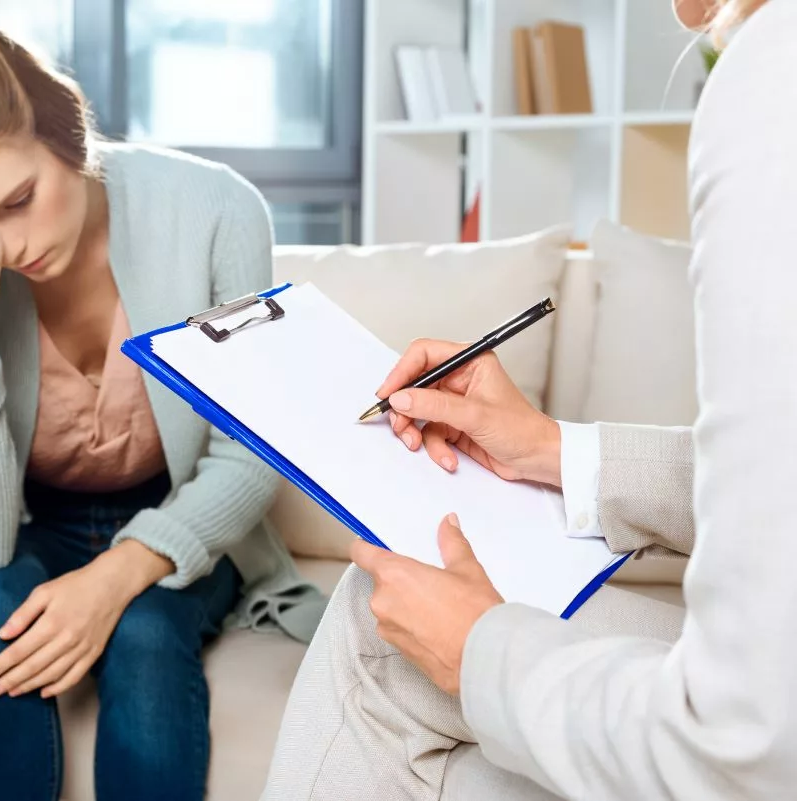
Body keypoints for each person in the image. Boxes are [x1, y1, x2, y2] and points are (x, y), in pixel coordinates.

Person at [263, 0, 797, 798]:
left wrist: (479, 649)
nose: (687, 14)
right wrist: (555, 450)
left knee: (381, 630)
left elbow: (740, 751)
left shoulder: (774, 70)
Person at [0, 20, 324, 801]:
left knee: (145, 629)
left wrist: (113, 579)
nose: (5, 246)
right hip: (27, 523)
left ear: (69, 131)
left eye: (19, 199)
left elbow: (249, 455)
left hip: (176, 515)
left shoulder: (215, 211)